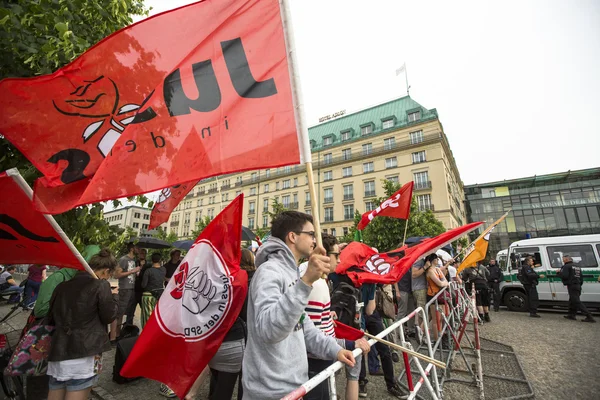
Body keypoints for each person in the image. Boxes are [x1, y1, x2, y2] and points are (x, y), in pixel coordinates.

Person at [242, 211, 355, 400]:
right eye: (311, 234)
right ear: (292, 236)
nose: (315, 240)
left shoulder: (292, 273)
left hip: (294, 388)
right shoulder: (269, 272)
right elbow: (269, 330)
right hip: (270, 392)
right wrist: (306, 282)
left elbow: (304, 328)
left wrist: (335, 349)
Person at [300, 234, 370, 400]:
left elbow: (309, 320)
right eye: (336, 255)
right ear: (323, 253)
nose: (339, 260)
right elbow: (312, 336)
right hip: (316, 361)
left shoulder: (310, 274)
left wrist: (326, 316)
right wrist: (347, 344)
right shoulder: (316, 283)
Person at [47, 249, 119, 400]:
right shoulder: (101, 286)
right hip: (84, 354)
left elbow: (51, 317)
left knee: (55, 391)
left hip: (59, 351)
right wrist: (113, 298)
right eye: (109, 275)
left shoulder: (62, 286)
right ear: (106, 271)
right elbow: (109, 316)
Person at [204, 248, 256, 400]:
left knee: (219, 381)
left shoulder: (220, 278)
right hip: (237, 337)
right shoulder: (249, 280)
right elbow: (246, 313)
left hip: (215, 337)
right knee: (240, 379)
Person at [110, 244, 140, 342]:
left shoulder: (134, 260)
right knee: (120, 313)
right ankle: (115, 337)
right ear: (132, 249)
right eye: (137, 248)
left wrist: (135, 273)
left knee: (126, 313)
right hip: (124, 289)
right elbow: (116, 275)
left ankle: (119, 334)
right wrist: (132, 271)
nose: (139, 250)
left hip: (131, 289)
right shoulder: (124, 259)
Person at [557, 255, 595, 323]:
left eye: (563, 259)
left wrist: (558, 273)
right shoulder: (577, 266)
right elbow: (581, 277)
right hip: (578, 285)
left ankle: (589, 316)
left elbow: (565, 276)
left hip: (572, 285)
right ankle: (571, 315)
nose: (563, 260)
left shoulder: (566, 266)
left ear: (566, 259)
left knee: (576, 301)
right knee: (572, 300)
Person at [425, 254, 450, 347]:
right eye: (436, 258)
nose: (438, 260)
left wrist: (443, 283)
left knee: (442, 318)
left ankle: (442, 337)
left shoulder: (438, 269)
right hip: (433, 295)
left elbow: (445, 282)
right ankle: (437, 339)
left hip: (440, 295)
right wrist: (443, 283)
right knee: (436, 319)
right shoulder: (430, 271)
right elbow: (439, 282)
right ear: (432, 260)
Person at [140, 253, 166, 327]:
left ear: (152, 260)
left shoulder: (148, 271)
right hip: (160, 295)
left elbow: (143, 285)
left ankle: (147, 334)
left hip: (148, 296)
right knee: (158, 316)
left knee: (148, 318)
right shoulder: (163, 270)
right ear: (160, 260)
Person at [411, 258, 428, 343]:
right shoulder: (419, 260)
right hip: (419, 289)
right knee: (422, 312)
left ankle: (421, 333)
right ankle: (421, 334)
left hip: (420, 288)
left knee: (422, 311)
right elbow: (414, 274)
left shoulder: (421, 260)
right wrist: (425, 267)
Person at [133, 248, 152, 325]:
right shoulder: (134, 263)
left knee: (145, 311)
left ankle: (147, 328)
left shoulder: (148, 265)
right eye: (141, 253)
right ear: (138, 254)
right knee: (131, 311)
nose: (142, 255)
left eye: (144, 253)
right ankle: (128, 329)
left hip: (144, 290)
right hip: (134, 289)